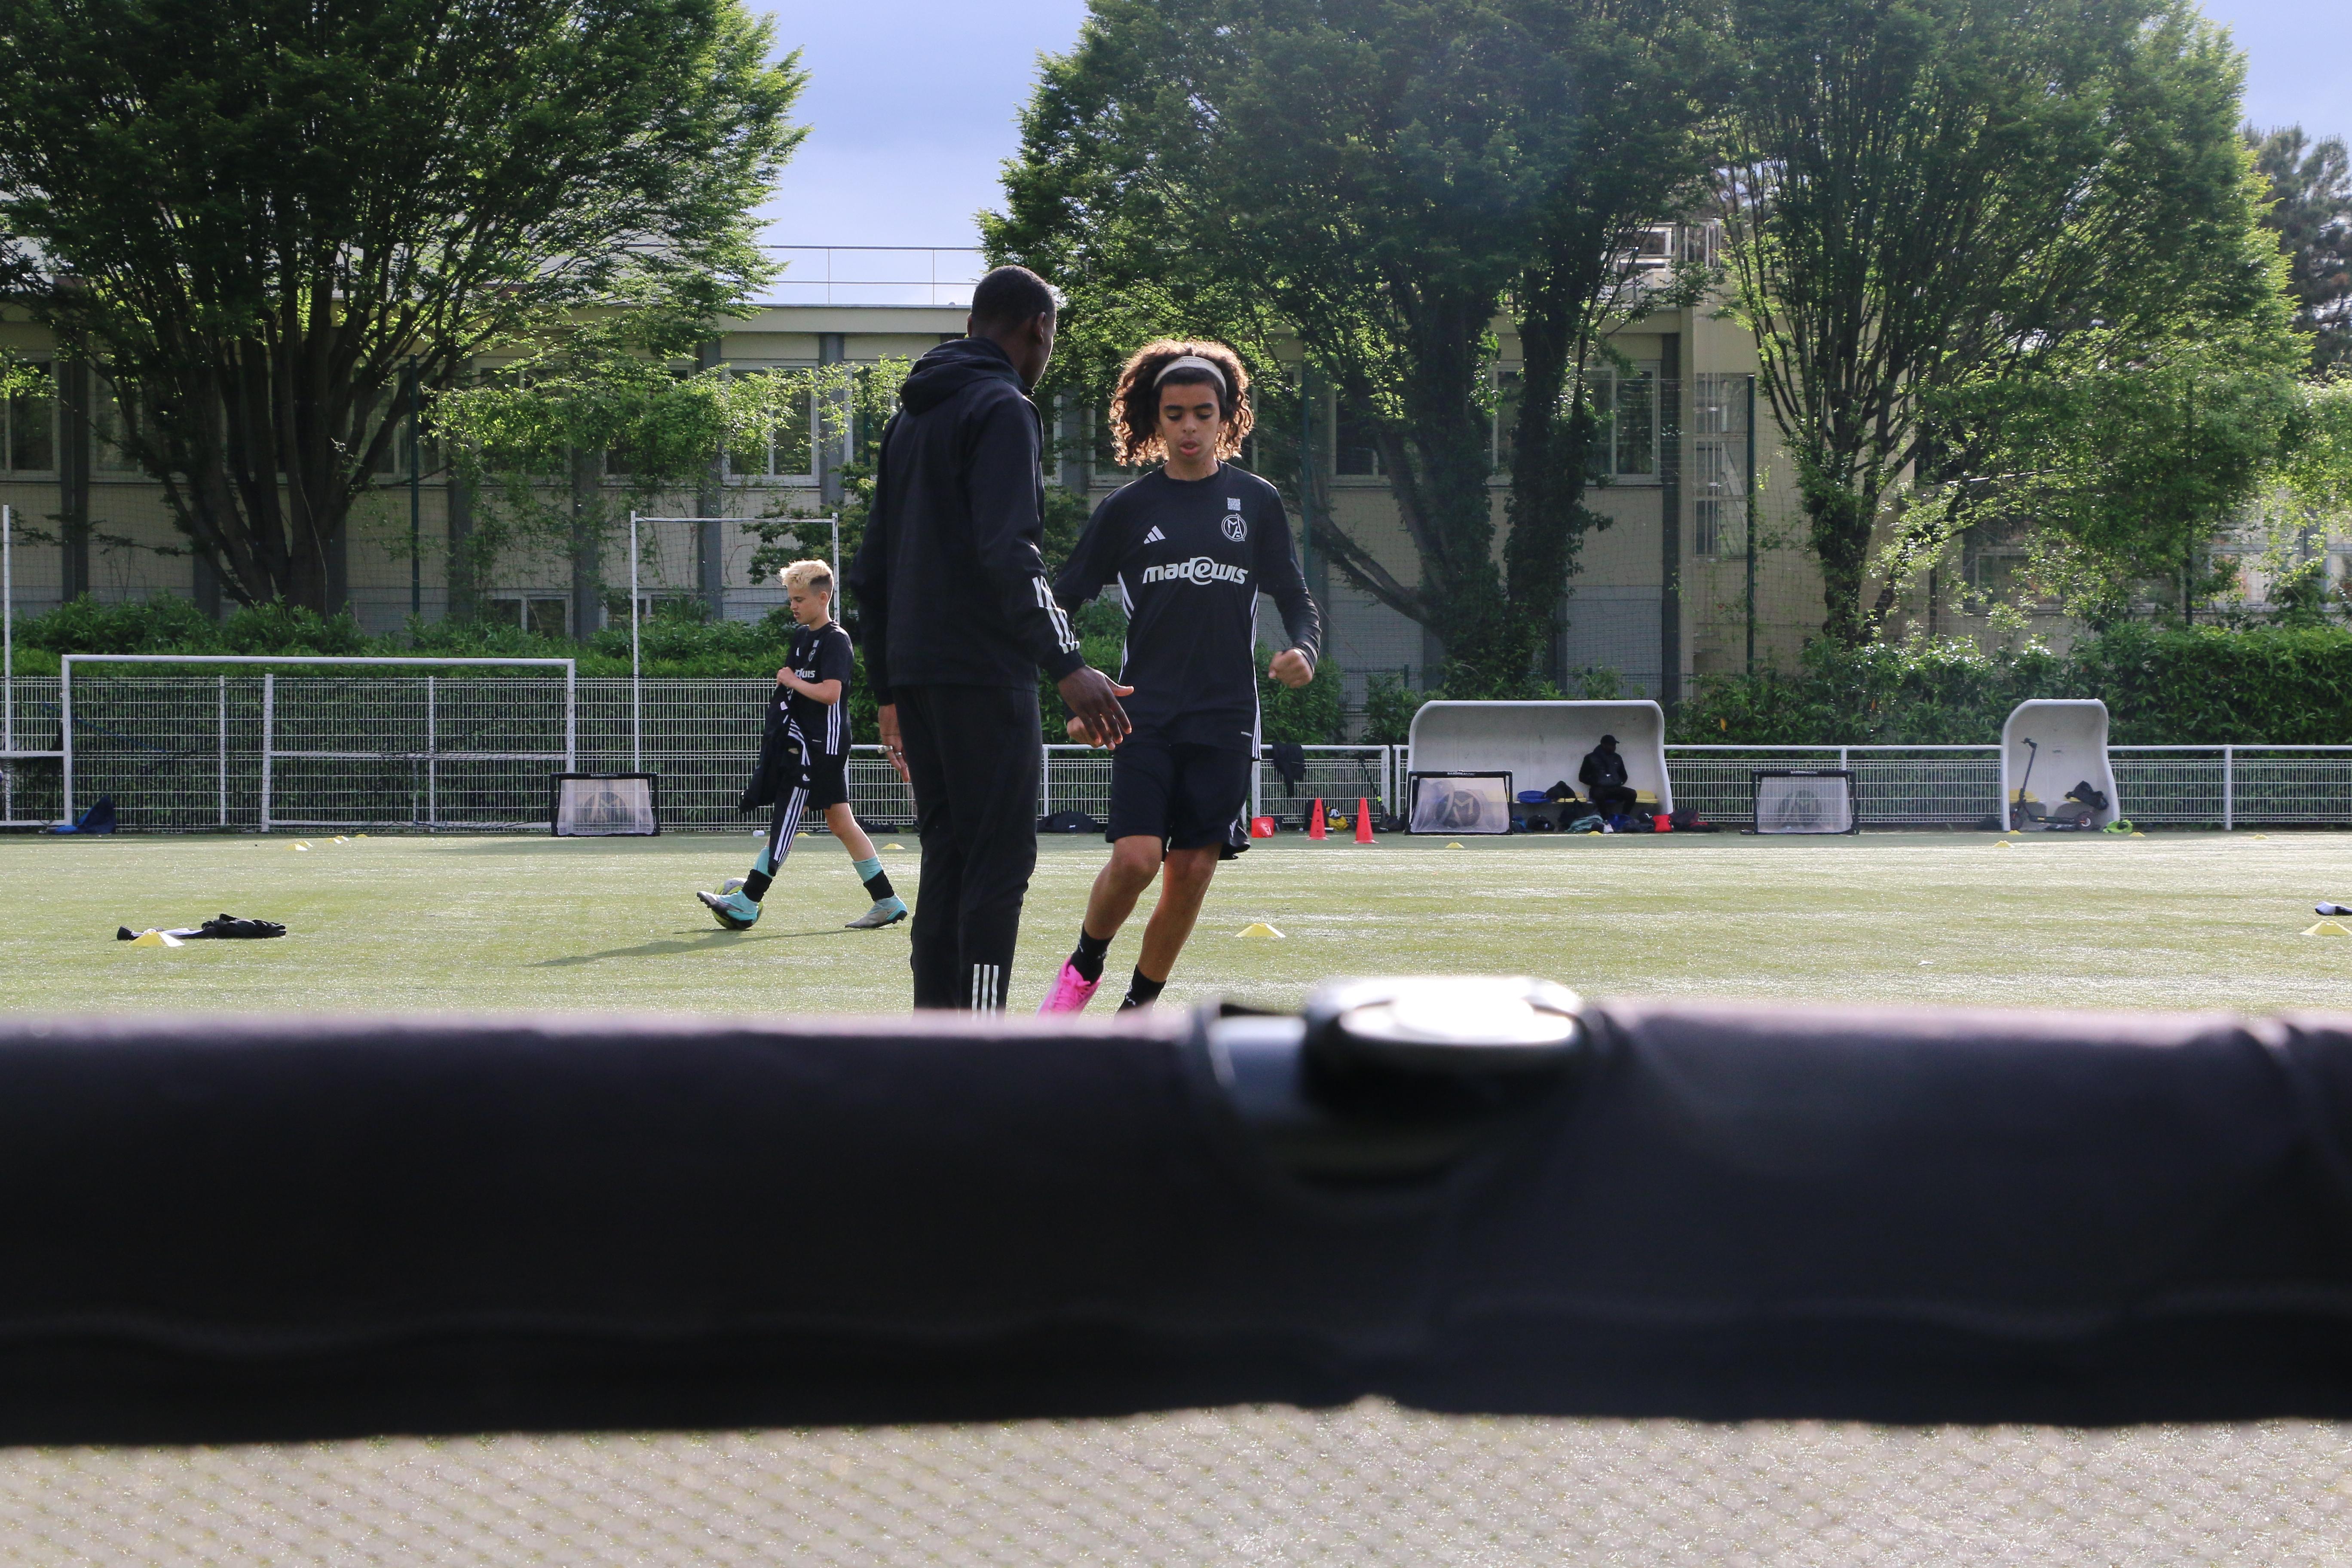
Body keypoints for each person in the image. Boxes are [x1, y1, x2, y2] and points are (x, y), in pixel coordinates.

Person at [846, 265, 1132, 1011]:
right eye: (1051, 339)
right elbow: (1011, 551)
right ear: (1039, 327)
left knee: (948, 856)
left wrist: (887, 690)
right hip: (980, 670)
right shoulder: (1004, 406)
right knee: (999, 862)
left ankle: (936, 1039)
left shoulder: (910, 417)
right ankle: (982, 1043)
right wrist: (1066, 662)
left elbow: (870, 567)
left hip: (918, 675)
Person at [1037, 340, 1321, 1014]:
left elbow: (1294, 596)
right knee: (1137, 861)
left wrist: (1305, 650)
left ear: (1228, 417)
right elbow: (1057, 601)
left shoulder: (1256, 500)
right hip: (1144, 712)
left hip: (1226, 716)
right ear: (1154, 421)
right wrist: (1074, 681)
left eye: (1203, 412)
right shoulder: (1129, 508)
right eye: (1174, 414)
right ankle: (1083, 968)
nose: (1189, 427)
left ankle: (1138, 1012)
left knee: (1191, 870)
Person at [700, 560, 908, 931]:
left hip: (820, 748)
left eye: (799, 599)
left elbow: (831, 694)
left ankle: (748, 900)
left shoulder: (836, 639)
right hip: (802, 744)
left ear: (823, 597)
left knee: (786, 819)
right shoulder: (801, 638)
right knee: (841, 822)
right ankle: (887, 901)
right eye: (791, 599)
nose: (793, 606)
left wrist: (792, 681)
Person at [1579, 734, 1638, 817]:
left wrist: (1617, 782)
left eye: (1615, 745)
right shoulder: (1590, 758)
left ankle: (1624, 817)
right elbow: (1582, 777)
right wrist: (1596, 782)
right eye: (1611, 745)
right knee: (1598, 794)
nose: (1614, 747)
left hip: (1614, 788)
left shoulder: (1617, 758)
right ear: (1604, 745)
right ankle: (1606, 819)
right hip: (1598, 788)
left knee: (1632, 794)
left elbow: (1624, 776)